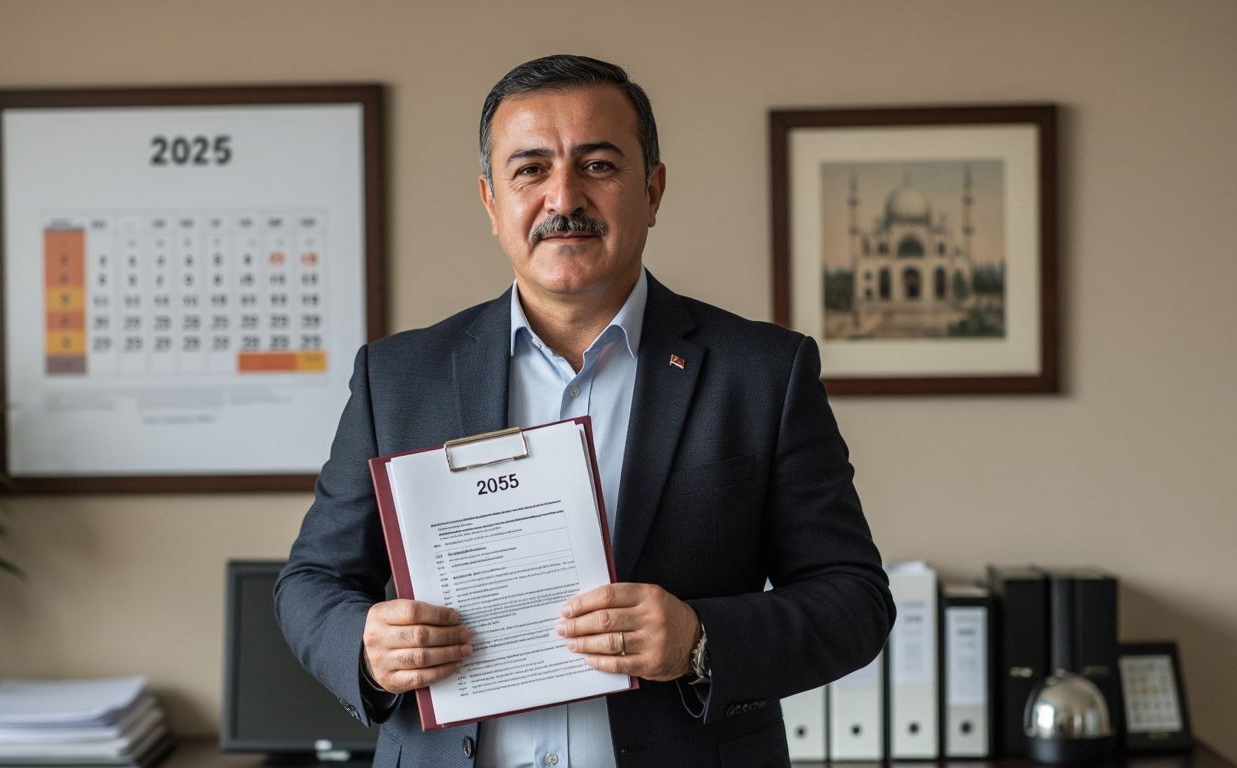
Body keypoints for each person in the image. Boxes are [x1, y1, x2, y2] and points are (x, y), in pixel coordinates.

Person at [276, 54, 894, 768]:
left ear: (653, 190)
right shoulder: (397, 376)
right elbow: (311, 584)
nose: (562, 197)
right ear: (490, 200)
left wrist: (699, 639)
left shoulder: (762, 372)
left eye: (598, 165)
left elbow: (855, 601)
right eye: (530, 169)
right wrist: (365, 645)